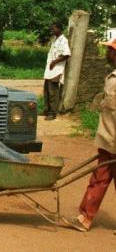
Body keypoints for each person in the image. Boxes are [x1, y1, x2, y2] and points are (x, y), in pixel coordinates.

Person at [68, 37, 116, 232]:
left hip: (112, 142)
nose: (107, 53)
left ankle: (85, 218)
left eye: (110, 50)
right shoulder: (112, 78)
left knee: (99, 179)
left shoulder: (115, 81)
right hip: (110, 140)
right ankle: (85, 217)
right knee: (101, 178)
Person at [43, 22, 71, 120]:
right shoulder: (54, 40)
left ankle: (52, 113)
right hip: (49, 70)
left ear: (59, 29)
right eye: (52, 28)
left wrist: (54, 62)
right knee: (46, 91)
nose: (52, 30)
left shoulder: (64, 40)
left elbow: (66, 54)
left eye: (54, 28)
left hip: (56, 70)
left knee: (53, 92)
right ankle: (46, 110)